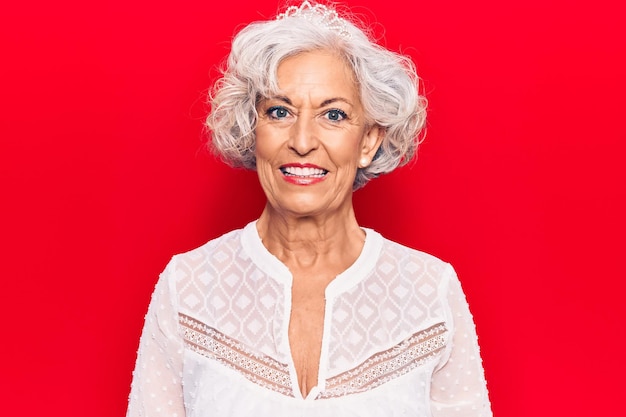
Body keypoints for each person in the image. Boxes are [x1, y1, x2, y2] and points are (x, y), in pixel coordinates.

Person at [126, 1, 491, 416]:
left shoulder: (430, 291)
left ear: (368, 141)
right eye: (279, 112)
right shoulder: (188, 287)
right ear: (252, 129)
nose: (302, 140)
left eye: (333, 115)